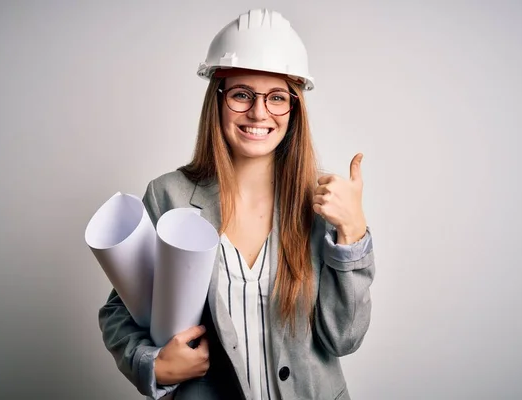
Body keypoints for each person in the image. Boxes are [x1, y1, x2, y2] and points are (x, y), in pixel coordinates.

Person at [98, 8, 375, 400]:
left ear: (294, 109)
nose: (259, 112)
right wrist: (153, 364)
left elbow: (343, 338)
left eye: (277, 97)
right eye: (243, 94)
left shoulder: (324, 202)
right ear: (219, 99)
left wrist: (353, 233)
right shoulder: (168, 196)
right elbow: (120, 311)